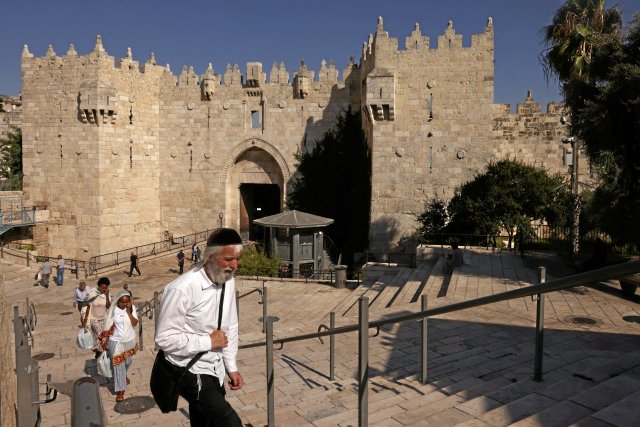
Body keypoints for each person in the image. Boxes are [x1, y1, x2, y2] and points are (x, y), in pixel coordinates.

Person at [156, 228, 244, 426]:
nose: (235, 265)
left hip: (216, 368)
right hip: (190, 368)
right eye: (229, 259)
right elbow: (164, 338)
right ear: (210, 257)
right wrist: (208, 341)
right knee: (230, 422)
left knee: (203, 421)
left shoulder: (227, 280)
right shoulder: (182, 288)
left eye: (237, 259)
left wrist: (231, 366)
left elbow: (230, 324)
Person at [100, 289, 138, 402]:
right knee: (118, 365)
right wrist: (104, 339)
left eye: (127, 302)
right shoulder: (113, 310)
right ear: (118, 301)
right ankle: (120, 391)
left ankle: (123, 375)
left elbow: (135, 324)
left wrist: (129, 313)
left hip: (129, 340)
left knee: (128, 362)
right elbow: (107, 324)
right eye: (123, 302)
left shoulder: (132, 308)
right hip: (115, 341)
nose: (125, 304)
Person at [81, 277, 111, 358]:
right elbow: (85, 306)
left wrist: (107, 296)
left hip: (104, 318)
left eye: (106, 288)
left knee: (101, 337)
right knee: (100, 335)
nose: (104, 289)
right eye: (102, 287)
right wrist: (84, 320)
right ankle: (102, 352)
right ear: (98, 286)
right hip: (94, 319)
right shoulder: (92, 293)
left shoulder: (106, 294)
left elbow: (108, 306)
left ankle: (99, 351)